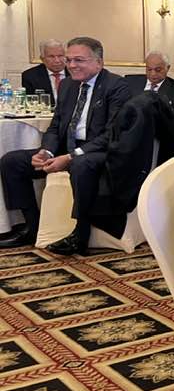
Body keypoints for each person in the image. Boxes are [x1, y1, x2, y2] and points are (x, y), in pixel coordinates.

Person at [0, 37, 131, 251]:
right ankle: (31, 226)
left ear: (99, 62)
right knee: (12, 161)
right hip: (67, 147)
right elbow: (56, 125)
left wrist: (71, 156)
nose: (71, 65)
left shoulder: (116, 86)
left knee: (81, 165)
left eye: (79, 60)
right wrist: (47, 151)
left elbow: (111, 134)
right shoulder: (68, 85)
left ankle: (80, 234)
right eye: (69, 60)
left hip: (98, 150)